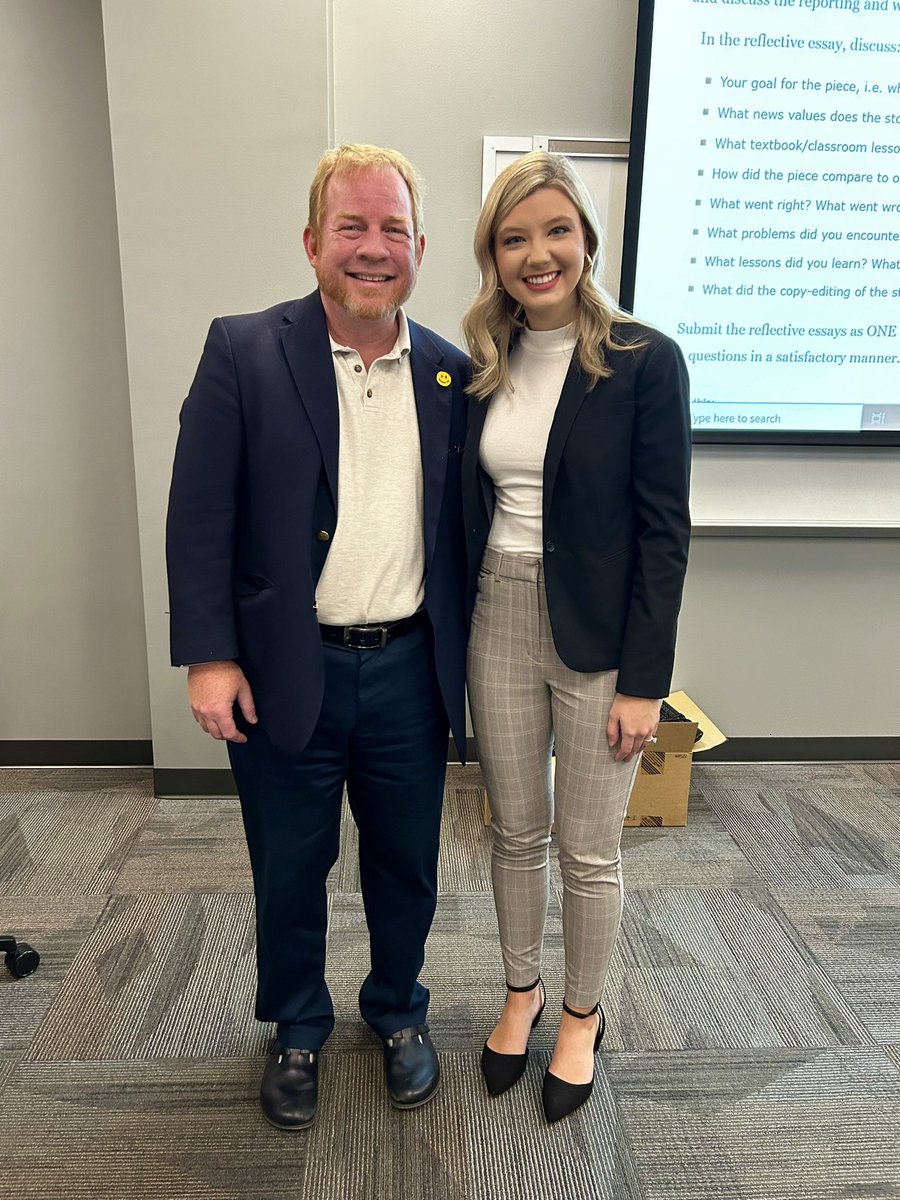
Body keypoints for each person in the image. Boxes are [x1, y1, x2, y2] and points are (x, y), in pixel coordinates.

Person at [166, 144, 469, 1131]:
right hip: (285, 672)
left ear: (420, 249)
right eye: (352, 227)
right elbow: (200, 514)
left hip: (410, 675)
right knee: (291, 863)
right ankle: (297, 1023)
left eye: (392, 230)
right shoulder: (243, 351)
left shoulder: (453, 377)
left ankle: (398, 1011)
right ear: (311, 244)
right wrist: (208, 656)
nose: (372, 248)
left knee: (405, 863)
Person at [461, 151, 691, 1123]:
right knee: (513, 830)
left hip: (600, 638)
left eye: (556, 229)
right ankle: (522, 992)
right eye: (514, 238)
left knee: (589, 851)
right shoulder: (480, 358)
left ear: (588, 237)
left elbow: (664, 532)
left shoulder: (644, 359)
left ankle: (583, 1015)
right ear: (494, 257)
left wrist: (646, 682)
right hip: (496, 612)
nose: (537, 253)